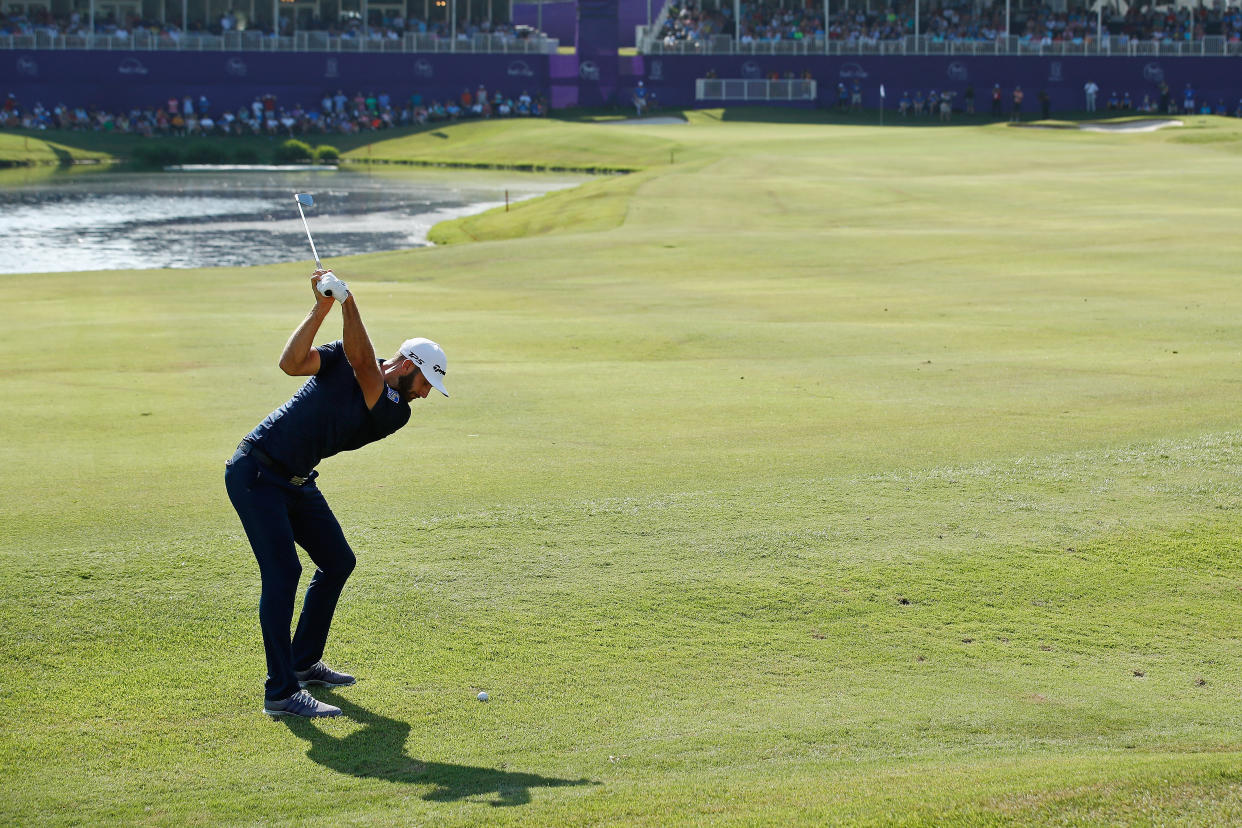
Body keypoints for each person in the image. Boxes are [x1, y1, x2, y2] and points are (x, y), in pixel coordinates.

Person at [225, 269, 450, 718]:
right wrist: (323, 306)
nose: (425, 395)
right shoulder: (341, 358)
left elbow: (366, 366)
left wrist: (349, 301)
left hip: (296, 480)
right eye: (426, 382)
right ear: (407, 366)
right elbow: (291, 363)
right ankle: (281, 692)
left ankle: (304, 662)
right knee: (284, 574)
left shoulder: (394, 411)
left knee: (337, 561)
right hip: (256, 473)